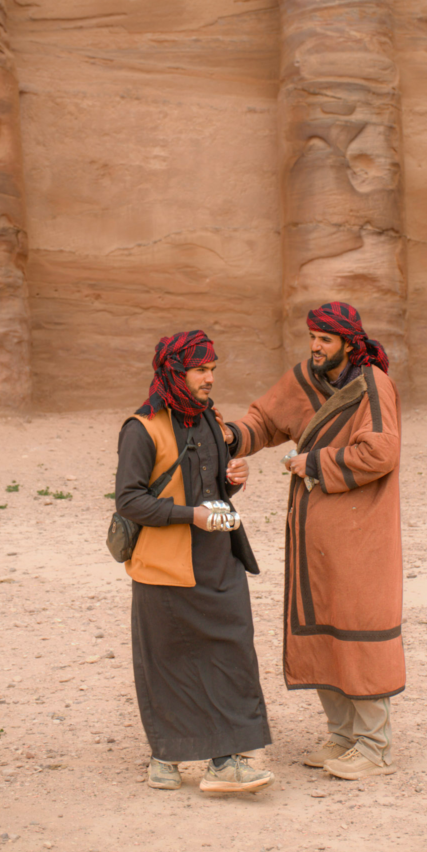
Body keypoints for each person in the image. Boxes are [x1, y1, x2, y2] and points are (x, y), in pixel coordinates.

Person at [218, 302, 404, 781]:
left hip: (360, 531)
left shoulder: (372, 385)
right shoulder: (304, 376)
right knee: (322, 622)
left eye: (325, 339)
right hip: (312, 532)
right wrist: (229, 436)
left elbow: (380, 450)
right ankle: (342, 735)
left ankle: (374, 746)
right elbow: (265, 419)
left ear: (348, 341)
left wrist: (316, 463)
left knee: (358, 623)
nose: (315, 346)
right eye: (312, 337)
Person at [115, 329, 273, 793]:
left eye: (213, 370)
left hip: (219, 558)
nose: (210, 379)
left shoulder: (209, 419)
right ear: (175, 372)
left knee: (232, 654)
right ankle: (166, 753)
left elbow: (213, 486)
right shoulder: (140, 429)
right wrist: (190, 516)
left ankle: (226, 760)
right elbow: (130, 500)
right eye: (202, 370)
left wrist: (234, 477)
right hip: (165, 565)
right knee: (169, 661)